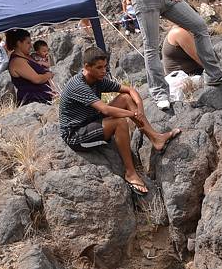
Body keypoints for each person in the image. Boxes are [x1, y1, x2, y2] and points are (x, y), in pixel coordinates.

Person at [59, 46, 181, 196]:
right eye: (99, 68)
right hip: (76, 134)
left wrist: (140, 109)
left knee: (125, 99)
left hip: (91, 119)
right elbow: (105, 110)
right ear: (86, 67)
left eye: (105, 67)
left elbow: (129, 90)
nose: (103, 71)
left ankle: (155, 138)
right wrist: (132, 113)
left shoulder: (98, 79)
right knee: (120, 122)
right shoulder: (78, 85)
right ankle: (130, 172)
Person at [5, 29, 56, 106]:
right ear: (19, 43)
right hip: (33, 103)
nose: (31, 45)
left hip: (43, 100)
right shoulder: (17, 61)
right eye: (28, 43)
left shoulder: (27, 56)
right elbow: (37, 79)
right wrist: (48, 75)